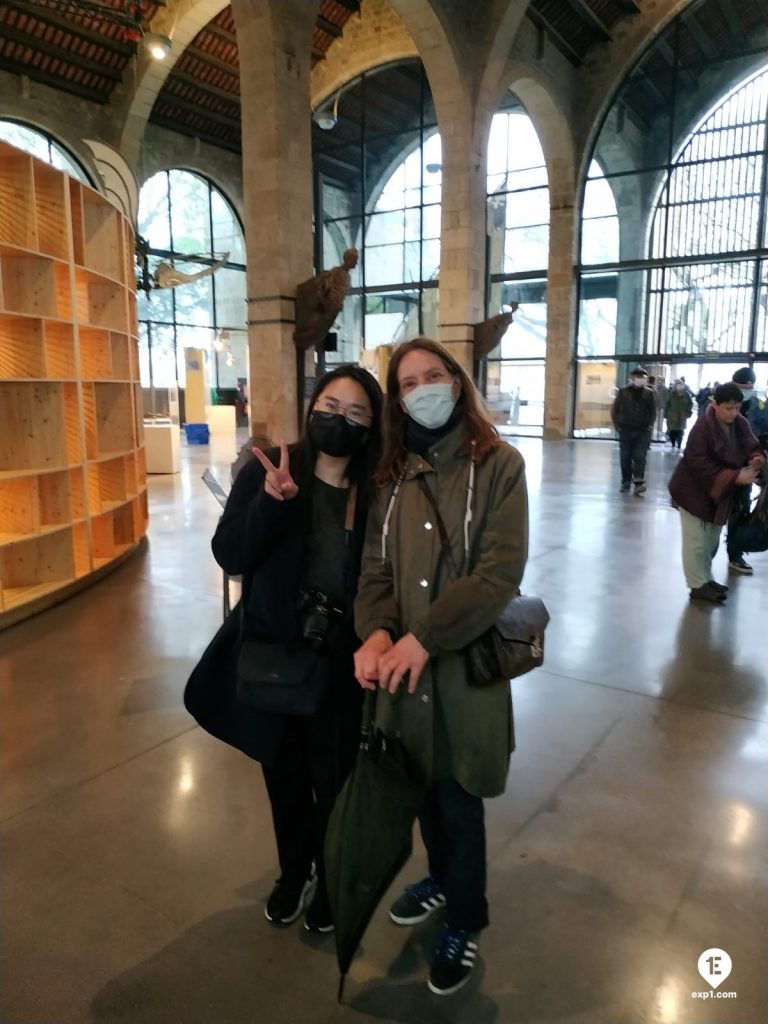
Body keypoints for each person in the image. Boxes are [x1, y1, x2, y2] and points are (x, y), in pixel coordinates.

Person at [353, 338, 529, 996]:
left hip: (460, 674)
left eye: (433, 375)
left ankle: (465, 915)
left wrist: (423, 639)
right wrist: (375, 632)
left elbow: (498, 574)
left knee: (459, 800)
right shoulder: (392, 476)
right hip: (401, 674)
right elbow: (375, 568)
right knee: (421, 790)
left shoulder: (500, 465)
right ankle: (441, 879)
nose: (423, 388)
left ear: (457, 383)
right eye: (408, 383)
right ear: (398, 401)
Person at [185, 365, 383, 933]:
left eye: (356, 413)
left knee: (335, 778)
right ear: (311, 407)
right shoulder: (271, 468)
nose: (339, 420)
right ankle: (295, 870)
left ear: (371, 427)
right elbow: (231, 554)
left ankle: (332, 873)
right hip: (274, 656)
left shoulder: (374, 490)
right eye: (330, 406)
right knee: (285, 775)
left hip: (341, 662)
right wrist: (271, 503)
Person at [668, 382, 764, 603]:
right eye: (728, 408)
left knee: (711, 541)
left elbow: (752, 446)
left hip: (717, 494)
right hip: (692, 492)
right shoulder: (702, 428)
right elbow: (699, 464)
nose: (733, 413)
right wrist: (735, 477)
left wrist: (756, 458)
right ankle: (697, 585)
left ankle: (705, 579)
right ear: (715, 405)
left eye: (737, 408)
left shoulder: (740, 423)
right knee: (696, 543)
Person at [727, 368, 768, 574]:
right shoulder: (719, 402)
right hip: (723, 467)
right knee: (712, 512)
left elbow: (763, 434)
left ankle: (735, 552)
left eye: (749, 387)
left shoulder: (758, 405)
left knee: (740, 507)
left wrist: (760, 456)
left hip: (749, 466)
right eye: (743, 387)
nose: (746, 391)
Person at [611, 366, 656, 494]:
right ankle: (626, 482)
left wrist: (650, 426)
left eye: (643, 377)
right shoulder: (623, 392)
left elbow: (652, 411)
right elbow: (615, 409)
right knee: (625, 457)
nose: (640, 379)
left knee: (640, 456)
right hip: (626, 430)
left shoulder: (649, 393)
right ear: (632, 378)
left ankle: (638, 483)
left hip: (643, 431)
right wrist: (617, 426)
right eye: (638, 377)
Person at [665, 379, 693, 450]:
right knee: (672, 431)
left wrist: (686, 411)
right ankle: (673, 444)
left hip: (682, 415)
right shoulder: (672, 394)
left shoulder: (686, 394)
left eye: (680, 385)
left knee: (680, 431)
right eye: (677, 385)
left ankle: (679, 445)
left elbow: (690, 403)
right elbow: (667, 404)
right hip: (673, 416)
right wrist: (667, 414)